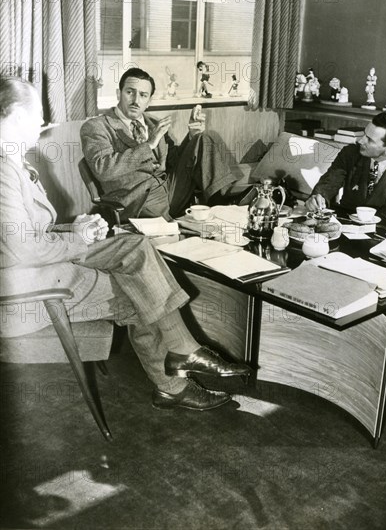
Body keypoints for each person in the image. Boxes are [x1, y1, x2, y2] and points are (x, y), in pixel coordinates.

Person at [0, 76, 250, 411]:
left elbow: (24, 234)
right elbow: (24, 248)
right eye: (38, 119)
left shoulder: (15, 161)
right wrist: (75, 238)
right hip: (28, 292)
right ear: (16, 119)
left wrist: (74, 227)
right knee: (141, 290)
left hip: (43, 264)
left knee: (134, 247)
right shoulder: (4, 170)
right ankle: (174, 377)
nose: (43, 127)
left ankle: (181, 358)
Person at [80, 68, 242, 221]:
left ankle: (223, 206)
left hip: (171, 191)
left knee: (203, 139)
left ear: (149, 101)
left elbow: (174, 161)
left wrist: (192, 136)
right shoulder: (96, 126)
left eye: (143, 95)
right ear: (118, 93)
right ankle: (223, 212)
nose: (136, 101)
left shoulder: (154, 123)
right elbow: (103, 169)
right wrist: (149, 144)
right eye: (130, 92)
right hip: (138, 201)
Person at [305, 112, 386, 223]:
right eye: (364, 134)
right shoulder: (350, 153)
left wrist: (358, 222)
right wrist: (318, 197)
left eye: (369, 140)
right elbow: (329, 183)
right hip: (344, 224)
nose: (360, 141)